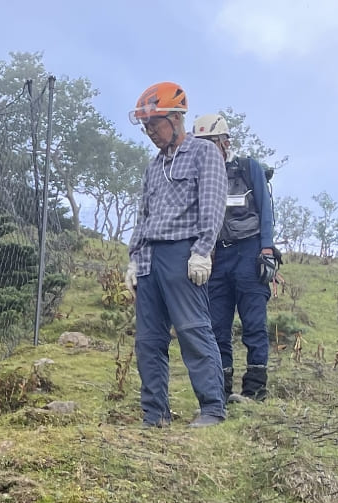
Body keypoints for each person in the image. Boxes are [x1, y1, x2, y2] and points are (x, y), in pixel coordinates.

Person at [123, 82, 228, 429]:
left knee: (193, 329)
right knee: (148, 339)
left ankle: (212, 408)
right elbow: (144, 215)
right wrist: (133, 258)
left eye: (155, 123)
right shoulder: (154, 167)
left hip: (183, 254)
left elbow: (212, 205)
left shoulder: (204, 154)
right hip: (150, 257)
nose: (150, 131)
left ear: (176, 118)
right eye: (146, 125)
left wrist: (202, 251)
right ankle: (155, 415)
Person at [190, 113, 278, 402]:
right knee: (217, 326)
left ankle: (255, 389)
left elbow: (266, 212)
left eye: (210, 144)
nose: (205, 151)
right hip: (216, 258)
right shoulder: (198, 178)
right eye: (199, 145)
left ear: (224, 142)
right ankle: (221, 391)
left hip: (250, 251)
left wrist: (266, 251)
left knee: (254, 323)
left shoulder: (247, 168)